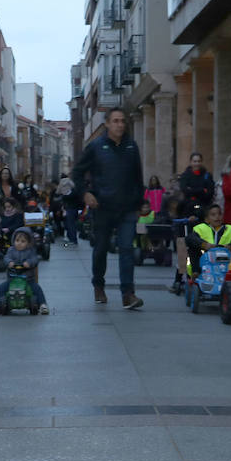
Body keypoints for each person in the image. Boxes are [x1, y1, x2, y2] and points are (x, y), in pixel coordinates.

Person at [72, 106, 145, 309]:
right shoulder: (96, 146)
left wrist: (139, 203)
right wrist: (85, 194)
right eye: (115, 121)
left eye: (122, 121)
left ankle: (128, 294)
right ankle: (98, 285)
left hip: (128, 208)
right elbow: (77, 173)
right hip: (103, 207)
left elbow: (138, 177)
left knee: (127, 249)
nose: (120, 125)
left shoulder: (132, 146)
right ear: (107, 124)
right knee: (101, 248)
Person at [0, 227, 49, 315]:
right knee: (2, 287)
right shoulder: (11, 250)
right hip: (13, 277)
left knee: (37, 288)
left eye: (23, 241)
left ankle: (43, 304)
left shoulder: (30, 251)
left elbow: (35, 259)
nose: (19, 243)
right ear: (13, 240)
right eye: (17, 240)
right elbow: (6, 258)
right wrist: (9, 262)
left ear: (28, 243)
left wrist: (29, 262)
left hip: (27, 278)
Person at [186, 204, 231, 278]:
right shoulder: (200, 228)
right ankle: (196, 273)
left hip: (226, 260)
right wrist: (204, 245)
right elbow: (190, 238)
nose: (217, 217)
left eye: (219, 214)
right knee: (191, 248)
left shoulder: (230, 229)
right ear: (207, 219)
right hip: (205, 261)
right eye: (213, 215)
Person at [178, 152, 216, 220]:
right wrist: (202, 190)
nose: (197, 164)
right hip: (188, 207)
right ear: (191, 162)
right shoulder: (185, 176)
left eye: (199, 161)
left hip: (203, 206)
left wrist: (192, 190)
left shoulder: (207, 176)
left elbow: (210, 192)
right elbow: (184, 190)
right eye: (195, 161)